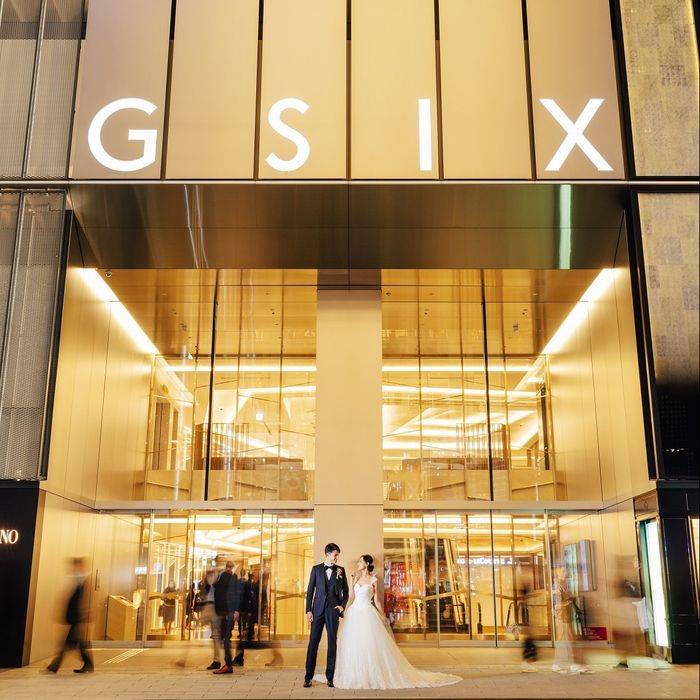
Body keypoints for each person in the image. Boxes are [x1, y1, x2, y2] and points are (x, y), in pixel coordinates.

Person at [315, 554, 461, 690]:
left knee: (368, 644)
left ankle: (370, 675)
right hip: (354, 613)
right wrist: (352, 580)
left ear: (367, 564)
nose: (358, 563)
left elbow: (377, 601)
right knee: (354, 645)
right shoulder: (357, 578)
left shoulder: (373, 580)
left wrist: (382, 615)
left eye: (360, 561)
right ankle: (355, 675)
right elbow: (351, 596)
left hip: (367, 613)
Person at [304, 543, 349, 688]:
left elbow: (346, 591)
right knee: (313, 643)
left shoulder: (340, 570)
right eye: (335, 555)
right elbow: (310, 591)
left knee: (332, 643)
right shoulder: (316, 569)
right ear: (328, 554)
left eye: (337, 555)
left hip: (332, 611)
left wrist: (342, 606)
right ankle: (308, 677)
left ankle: (330, 677)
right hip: (317, 611)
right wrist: (308, 610)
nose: (337, 558)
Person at [46, 558, 94, 674]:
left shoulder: (81, 579)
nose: (73, 568)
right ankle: (88, 664)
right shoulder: (77, 579)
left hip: (77, 618)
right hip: (75, 618)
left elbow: (81, 600)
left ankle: (54, 666)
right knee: (78, 643)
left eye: (75, 565)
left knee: (68, 643)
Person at [551, 565, 590, 674]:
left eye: (566, 571)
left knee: (566, 640)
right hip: (562, 617)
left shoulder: (564, 584)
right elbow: (557, 603)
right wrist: (567, 601)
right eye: (563, 571)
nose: (565, 573)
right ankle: (572, 664)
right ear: (557, 572)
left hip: (566, 616)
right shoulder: (557, 585)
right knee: (567, 640)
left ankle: (560, 664)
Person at [213, 561, 239, 675]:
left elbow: (231, 594)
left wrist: (234, 610)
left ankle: (228, 665)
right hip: (226, 611)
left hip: (226, 612)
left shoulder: (226, 577)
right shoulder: (229, 577)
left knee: (226, 639)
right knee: (226, 639)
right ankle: (228, 664)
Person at [198, 568, 223, 670]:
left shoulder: (219, 577)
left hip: (214, 607)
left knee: (216, 635)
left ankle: (217, 660)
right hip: (209, 606)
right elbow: (204, 589)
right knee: (215, 635)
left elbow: (213, 583)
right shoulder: (212, 578)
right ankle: (217, 659)